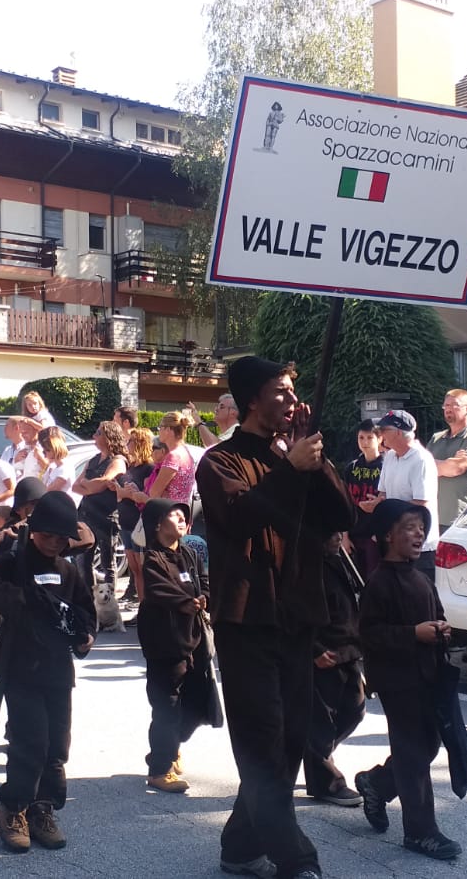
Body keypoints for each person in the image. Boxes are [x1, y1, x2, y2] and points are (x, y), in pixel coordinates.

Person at [196, 355, 354, 879]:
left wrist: (318, 461)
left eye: (293, 391)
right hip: (247, 621)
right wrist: (292, 469)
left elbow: (342, 517)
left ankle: (240, 846)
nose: (292, 400)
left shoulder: (297, 456)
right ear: (251, 401)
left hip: (297, 617)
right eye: (280, 392)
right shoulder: (219, 462)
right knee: (262, 740)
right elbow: (240, 517)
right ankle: (296, 858)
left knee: (289, 739)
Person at [0, 490, 95, 853]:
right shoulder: (15, 562)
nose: (54, 542)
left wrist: (85, 636)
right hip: (20, 667)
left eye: (61, 537)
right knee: (31, 742)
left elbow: (86, 610)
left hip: (58, 669)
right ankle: (13, 808)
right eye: (48, 535)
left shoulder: (68, 571)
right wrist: (22, 598)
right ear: (35, 530)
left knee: (57, 745)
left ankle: (43, 808)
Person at [353, 499, 463, 861]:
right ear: (388, 535)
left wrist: (442, 629)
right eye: (409, 528)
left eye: (421, 528)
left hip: (427, 676)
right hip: (396, 681)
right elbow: (369, 633)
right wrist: (413, 634)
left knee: (427, 746)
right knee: (413, 753)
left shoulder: (421, 579)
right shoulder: (379, 582)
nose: (419, 534)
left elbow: (438, 614)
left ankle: (377, 783)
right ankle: (420, 832)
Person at [137, 498, 208, 794]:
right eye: (174, 514)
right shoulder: (153, 558)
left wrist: (204, 598)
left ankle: (168, 747)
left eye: (183, 515)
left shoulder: (189, 553)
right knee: (167, 704)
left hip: (192, 636)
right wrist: (184, 602)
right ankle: (159, 770)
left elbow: (203, 581)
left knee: (195, 702)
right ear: (157, 524)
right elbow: (158, 589)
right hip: (163, 639)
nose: (181, 518)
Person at [303, 531, 365, 807]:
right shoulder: (305, 566)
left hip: (348, 650)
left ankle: (315, 755)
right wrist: (314, 650)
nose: (337, 537)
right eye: (330, 532)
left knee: (354, 710)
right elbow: (297, 612)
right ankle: (327, 781)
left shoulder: (340, 560)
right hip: (323, 653)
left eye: (339, 531)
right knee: (321, 721)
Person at [360, 410, 439, 576]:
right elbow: (383, 494)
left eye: (383, 430)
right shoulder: (389, 456)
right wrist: (375, 504)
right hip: (394, 546)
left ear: (397, 432)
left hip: (418, 548)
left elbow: (421, 506)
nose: (380, 434)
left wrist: (385, 508)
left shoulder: (421, 460)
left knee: (416, 591)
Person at [73, 421, 126, 592]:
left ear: (109, 437)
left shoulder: (118, 460)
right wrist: (91, 486)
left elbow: (104, 482)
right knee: (83, 560)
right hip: (86, 514)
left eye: (98, 433)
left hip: (105, 517)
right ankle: (89, 597)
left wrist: (88, 484)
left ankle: (109, 600)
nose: (94, 436)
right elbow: (75, 485)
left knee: (107, 562)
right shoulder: (93, 460)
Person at [427, 390, 467, 529]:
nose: (448, 409)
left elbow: (456, 468)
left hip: (463, 520)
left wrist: (436, 465)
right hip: (433, 518)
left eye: (454, 405)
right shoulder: (436, 438)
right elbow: (421, 468)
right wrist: (447, 463)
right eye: (446, 405)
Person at [117, 428, 157, 601]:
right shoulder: (131, 466)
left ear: (140, 443)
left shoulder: (149, 468)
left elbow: (143, 495)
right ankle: (141, 603)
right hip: (125, 520)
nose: (127, 444)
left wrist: (126, 493)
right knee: (134, 568)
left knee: (141, 567)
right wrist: (121, 491)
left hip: (137, 521)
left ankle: (145, 602)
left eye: (131, 441)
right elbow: (121, 493)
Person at [343, 419, 384, 577]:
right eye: (361, 437)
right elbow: (345, 503)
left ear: (379, 439)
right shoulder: (351, 468)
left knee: (374, 580)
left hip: (374, 536)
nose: (365, 442)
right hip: (354, 534)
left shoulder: (386, 467)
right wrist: (344, 536)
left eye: (370, 437)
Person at [38, 426, 74, 499]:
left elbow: (51, 490)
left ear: (54, 449)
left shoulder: (65, 468)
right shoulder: (52, 467)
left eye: (46, 451)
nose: (45, 455)